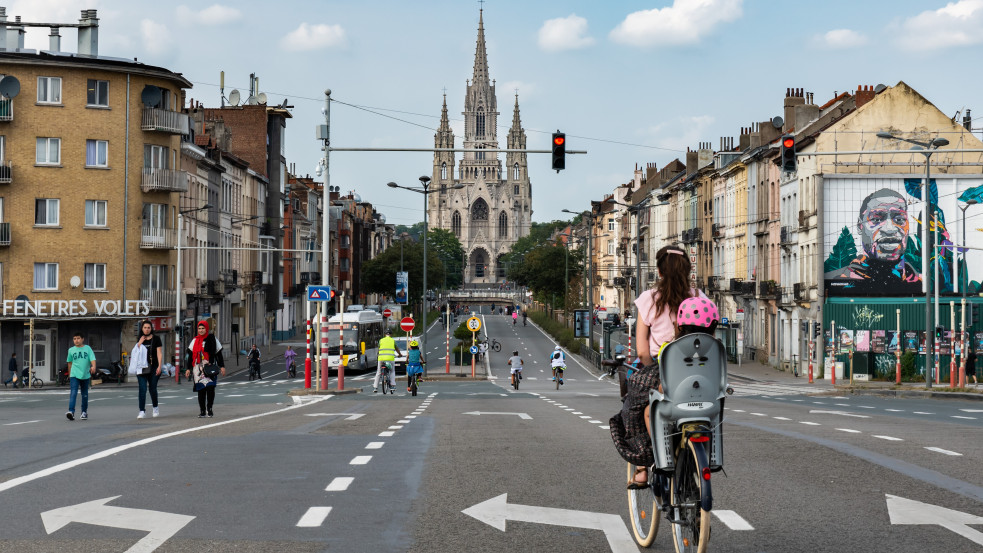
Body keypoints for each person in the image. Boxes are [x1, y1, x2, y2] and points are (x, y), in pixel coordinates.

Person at [610, 244, 708, 489]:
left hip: (663, 371)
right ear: (688, 270)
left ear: (659, 272)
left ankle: (643, 467)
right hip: (700, 372)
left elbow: (642, 351)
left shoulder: (650, 299)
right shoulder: (700, 298)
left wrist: (650, 370)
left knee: (632, 407)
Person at [825, 188, 921, 294]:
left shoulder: (922, 283)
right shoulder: (836, 280)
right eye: (876, 219)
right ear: (860, 226)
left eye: (899, 220)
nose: (890, 229)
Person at [185, 320, 226, 418]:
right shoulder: (195, 340)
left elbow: (218, 354)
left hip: (210, 367)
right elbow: (190, 356)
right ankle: (202, 411)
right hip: (198, 369)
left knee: (210, 388)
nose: (201, 330)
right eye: (199, 328)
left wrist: (222, 366)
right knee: (201, 390)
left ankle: (210, 408)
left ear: (206, 329)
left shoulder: (212, 339)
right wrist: (188, 369)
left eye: (203, 328)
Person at [133, 319, 163, 419]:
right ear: (142, 328)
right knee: (142, 389)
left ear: (151, 329)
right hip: (141, 368)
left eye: (148, 328)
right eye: (145, 328)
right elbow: (135, 353)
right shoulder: (139, 339)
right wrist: (139, 343)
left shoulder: (156, 339)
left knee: (152, 388)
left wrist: (159, 366)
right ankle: (142, 411)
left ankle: (155, 407)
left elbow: (159, 353)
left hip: (154, 367)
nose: (146, 330)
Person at [65, 332, 96, 421]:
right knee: (73, 393)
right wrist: (70, 374)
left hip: (85, 374)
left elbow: (92, 359)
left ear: (82, 339)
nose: (76, 340)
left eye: (78, 338)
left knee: (84, 394)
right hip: (74, 374)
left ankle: (84, 412)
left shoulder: (88, 348)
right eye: (74, 339)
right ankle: (71, 411)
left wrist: (93, 366)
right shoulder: (71, 350)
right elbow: (70, 363)